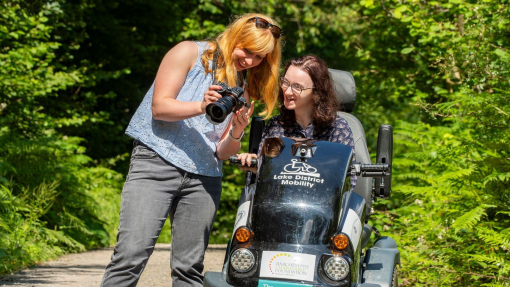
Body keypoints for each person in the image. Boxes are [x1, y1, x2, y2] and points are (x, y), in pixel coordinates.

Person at [100, 13, 282, 287]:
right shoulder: (188, 52)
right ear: (234, 37)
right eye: (247, 51)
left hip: (204, 177)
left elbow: (222, 152)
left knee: (189, 268)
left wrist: (237, 130)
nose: (250, 61)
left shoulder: (241, 91)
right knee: (130, 256)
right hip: (156, 162)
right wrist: (200, 105)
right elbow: (160, 108)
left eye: (259, 58)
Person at [237, 54, 357, 188]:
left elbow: (348, 180)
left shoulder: (337, 128)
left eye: (297, 87)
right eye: (286, 83)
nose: (287, 92)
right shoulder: (276, 126)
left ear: (317, 93)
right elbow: (262, 182)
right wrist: (255, 166)